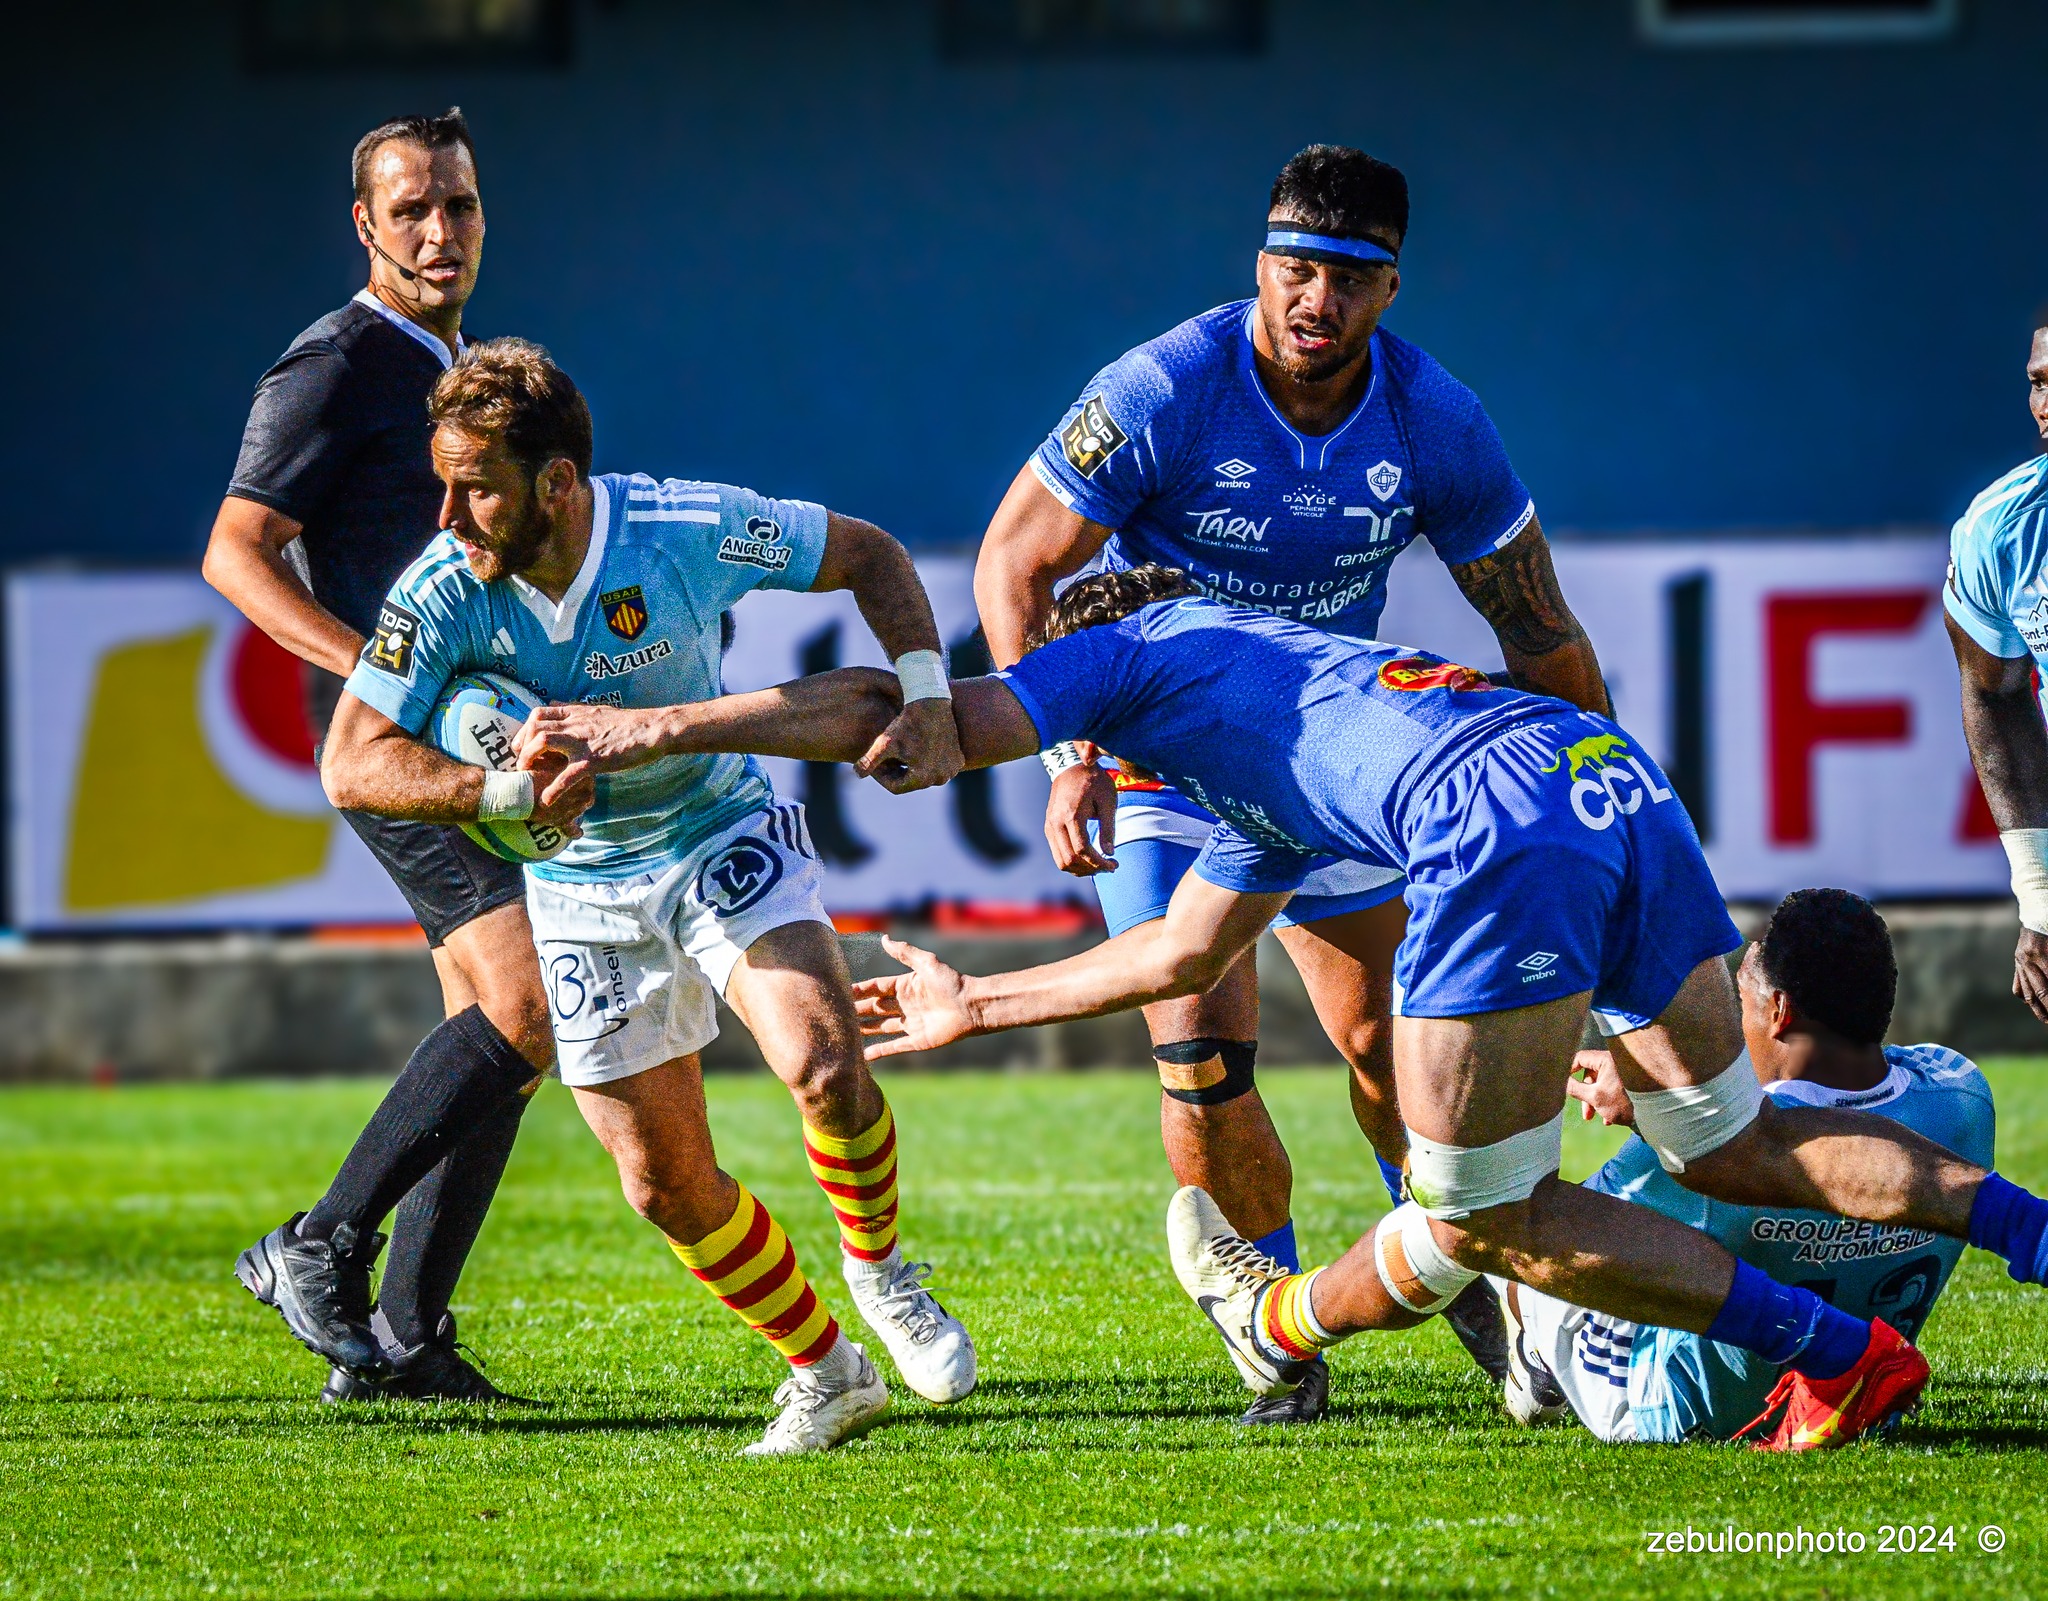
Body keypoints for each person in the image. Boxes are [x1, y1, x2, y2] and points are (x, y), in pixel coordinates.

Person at [822, 566, 2048, 1450]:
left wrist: (688, 725)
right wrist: (971, 1001)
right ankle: (2035, 1237)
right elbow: (1178, 953)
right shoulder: (1267, 703)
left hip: (1491, 822)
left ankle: (1842, 1357)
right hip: (1600, 772)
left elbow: (927, 731)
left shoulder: (1128, 649)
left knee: (1476, 1211)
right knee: (1730, 1142)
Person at [972, 144, 1610, 1417]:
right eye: (1290, 268)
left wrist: (1595, 801)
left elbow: (1540, 636)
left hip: (1326, 749)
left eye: (1344, 277)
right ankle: (1277, 1333)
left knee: (1391, 1045)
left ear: (1389, 292)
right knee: (1200, 1044)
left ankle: (1464, 1275)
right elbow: (1012, 561)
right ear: (1259, 263)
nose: (1310, 299)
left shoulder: (1436, 420)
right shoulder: (1161, 387)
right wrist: (1068, 751)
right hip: (1163, 752)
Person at [322, 337, 976, 1454]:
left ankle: (879, 1270)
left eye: (473, 487)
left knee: (823, 1063)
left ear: (556, 484)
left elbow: (865, 552)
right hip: (578, 888)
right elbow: (351, 762)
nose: (446, 516)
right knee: (663, 1183)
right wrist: (508, 787)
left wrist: (926, 695)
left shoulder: (680, 527)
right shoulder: (439, 590)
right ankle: (826, 1370)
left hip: (713, 824)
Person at [206, 109, 552, 1402]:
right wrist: (374, 669)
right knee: (528, 1000)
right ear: (365, 224)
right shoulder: (336, 363)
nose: (439, 231)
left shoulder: (459, 363)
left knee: (500, 1024)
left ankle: (404, 1341)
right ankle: (321, 1245)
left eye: (457, 205)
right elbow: (236, 549)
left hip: (462, 726)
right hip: (389, 741)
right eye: (410, 209)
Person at [1497, 889, 1993, 1443]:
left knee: (1501, 1221)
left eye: (1739, 1000)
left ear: (1777, 1012)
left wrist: (1661, 1115)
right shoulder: (1963, 1096)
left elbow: (1563, 1238)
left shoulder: (1717, 1155)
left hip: (1675, 1415)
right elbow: (1843, 1104)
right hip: (1867, 1407)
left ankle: (1535, 1359)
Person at [1943, 313, 2048, 1031]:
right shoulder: (2001, 532)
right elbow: (1995, 694)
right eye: (2038, 383)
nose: (2046, 404)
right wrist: (2040, 895)